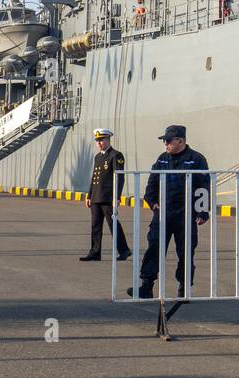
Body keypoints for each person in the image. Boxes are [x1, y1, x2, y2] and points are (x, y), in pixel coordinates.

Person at [128, 125, 210, 299]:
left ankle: (184, 288)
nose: (165, 144)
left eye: (168, 140)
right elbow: (152, 182)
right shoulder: (162, 159)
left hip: (185, 215)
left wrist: (202, 212)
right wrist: (152, 202)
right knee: (154, 248)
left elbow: (204, 186)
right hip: (163, 213)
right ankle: (146, 286)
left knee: (185, 252)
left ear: (180, 141)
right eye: (164, 140)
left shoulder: (196, 159)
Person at [80, 128, 131, 262]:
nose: (99, 143)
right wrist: (89, 195)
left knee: (113, 224)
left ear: (108, 140)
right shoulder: (98, 157)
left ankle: (124, 250)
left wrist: (117, 197)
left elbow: (119, 178)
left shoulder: (116, 155)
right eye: (97, 141)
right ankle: (95, 252)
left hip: (108, 198)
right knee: (95, 226)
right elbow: (94, 178)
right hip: (96, 197)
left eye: (102, 140)